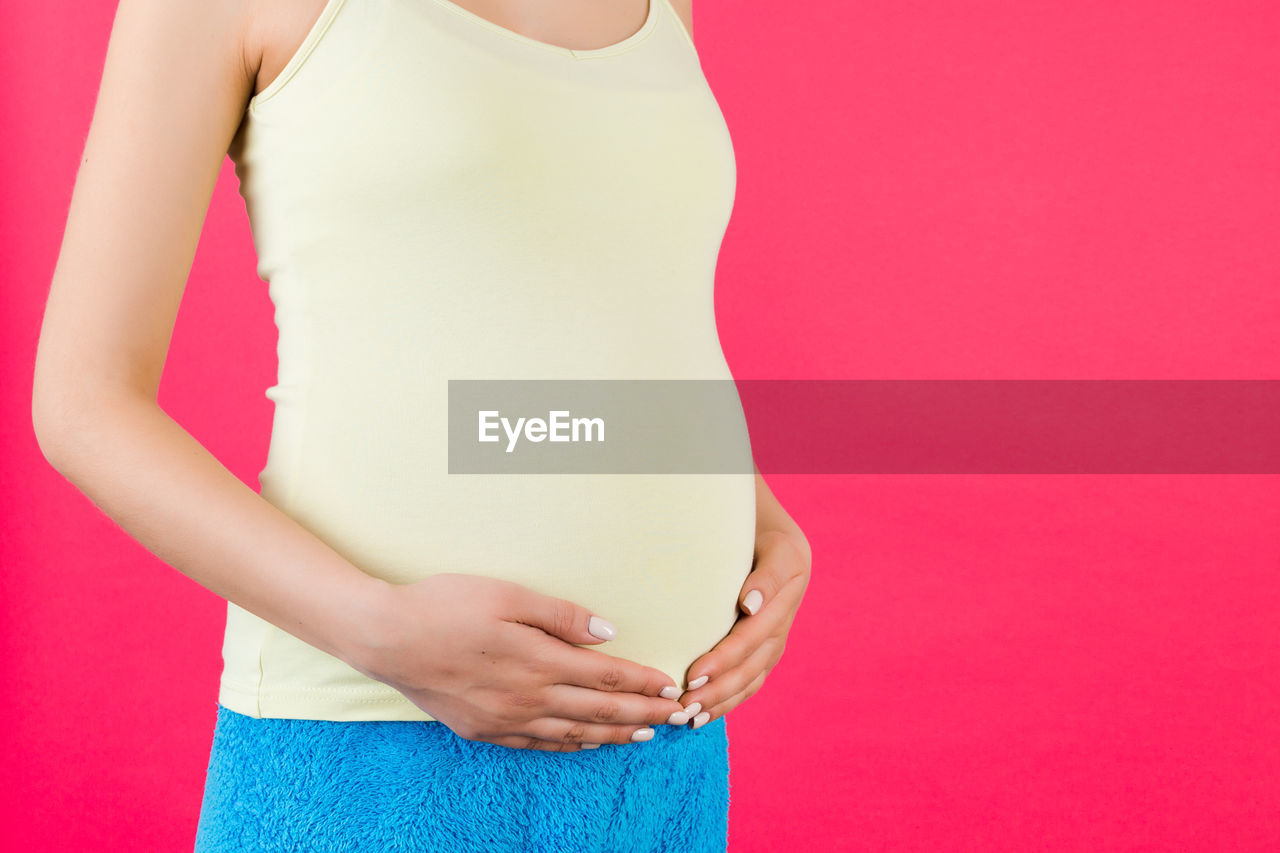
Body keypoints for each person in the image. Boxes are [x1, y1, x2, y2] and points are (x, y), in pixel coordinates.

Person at [32, 0, 811, 849]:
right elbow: (85, 402)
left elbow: (617, 307)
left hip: (664, 755)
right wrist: (377, 628)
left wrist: (753, 508)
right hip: (370, 738)